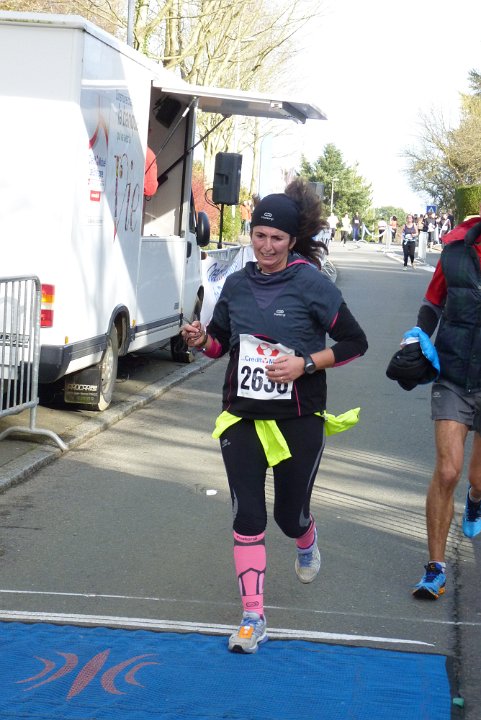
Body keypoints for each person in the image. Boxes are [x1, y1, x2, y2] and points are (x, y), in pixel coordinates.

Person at [181, 179, 368, 653]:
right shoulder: (237, 283)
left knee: (288, 515)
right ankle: (252, 617)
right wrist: (202, 341)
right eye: (259, 236)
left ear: (292, 240)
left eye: (277, 239)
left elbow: (355, 342)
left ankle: (306, 536)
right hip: (243, 415)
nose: (266, 247)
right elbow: (221, 343)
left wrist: (306, 363)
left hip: (299, 417)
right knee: (247, 513)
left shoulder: (312, 284)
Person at [407, 216, 481, 600]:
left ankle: (475, 499)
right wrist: (418, 335)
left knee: (477, 478)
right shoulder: (454, 250)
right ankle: (435, 569)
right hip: (453, 374)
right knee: (448, 470)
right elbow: (433, 301)